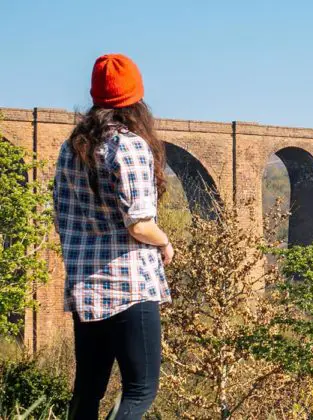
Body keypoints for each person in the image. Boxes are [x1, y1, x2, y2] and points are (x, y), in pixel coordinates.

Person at [53, 53, 174, 419]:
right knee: (140, 390)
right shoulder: (130, 145)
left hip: (86, 289)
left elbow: (62, 215)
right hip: (129, 287)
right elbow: (139, 224)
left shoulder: (73, 148)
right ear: (137, 100)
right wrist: (165, 242)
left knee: (87, 391)